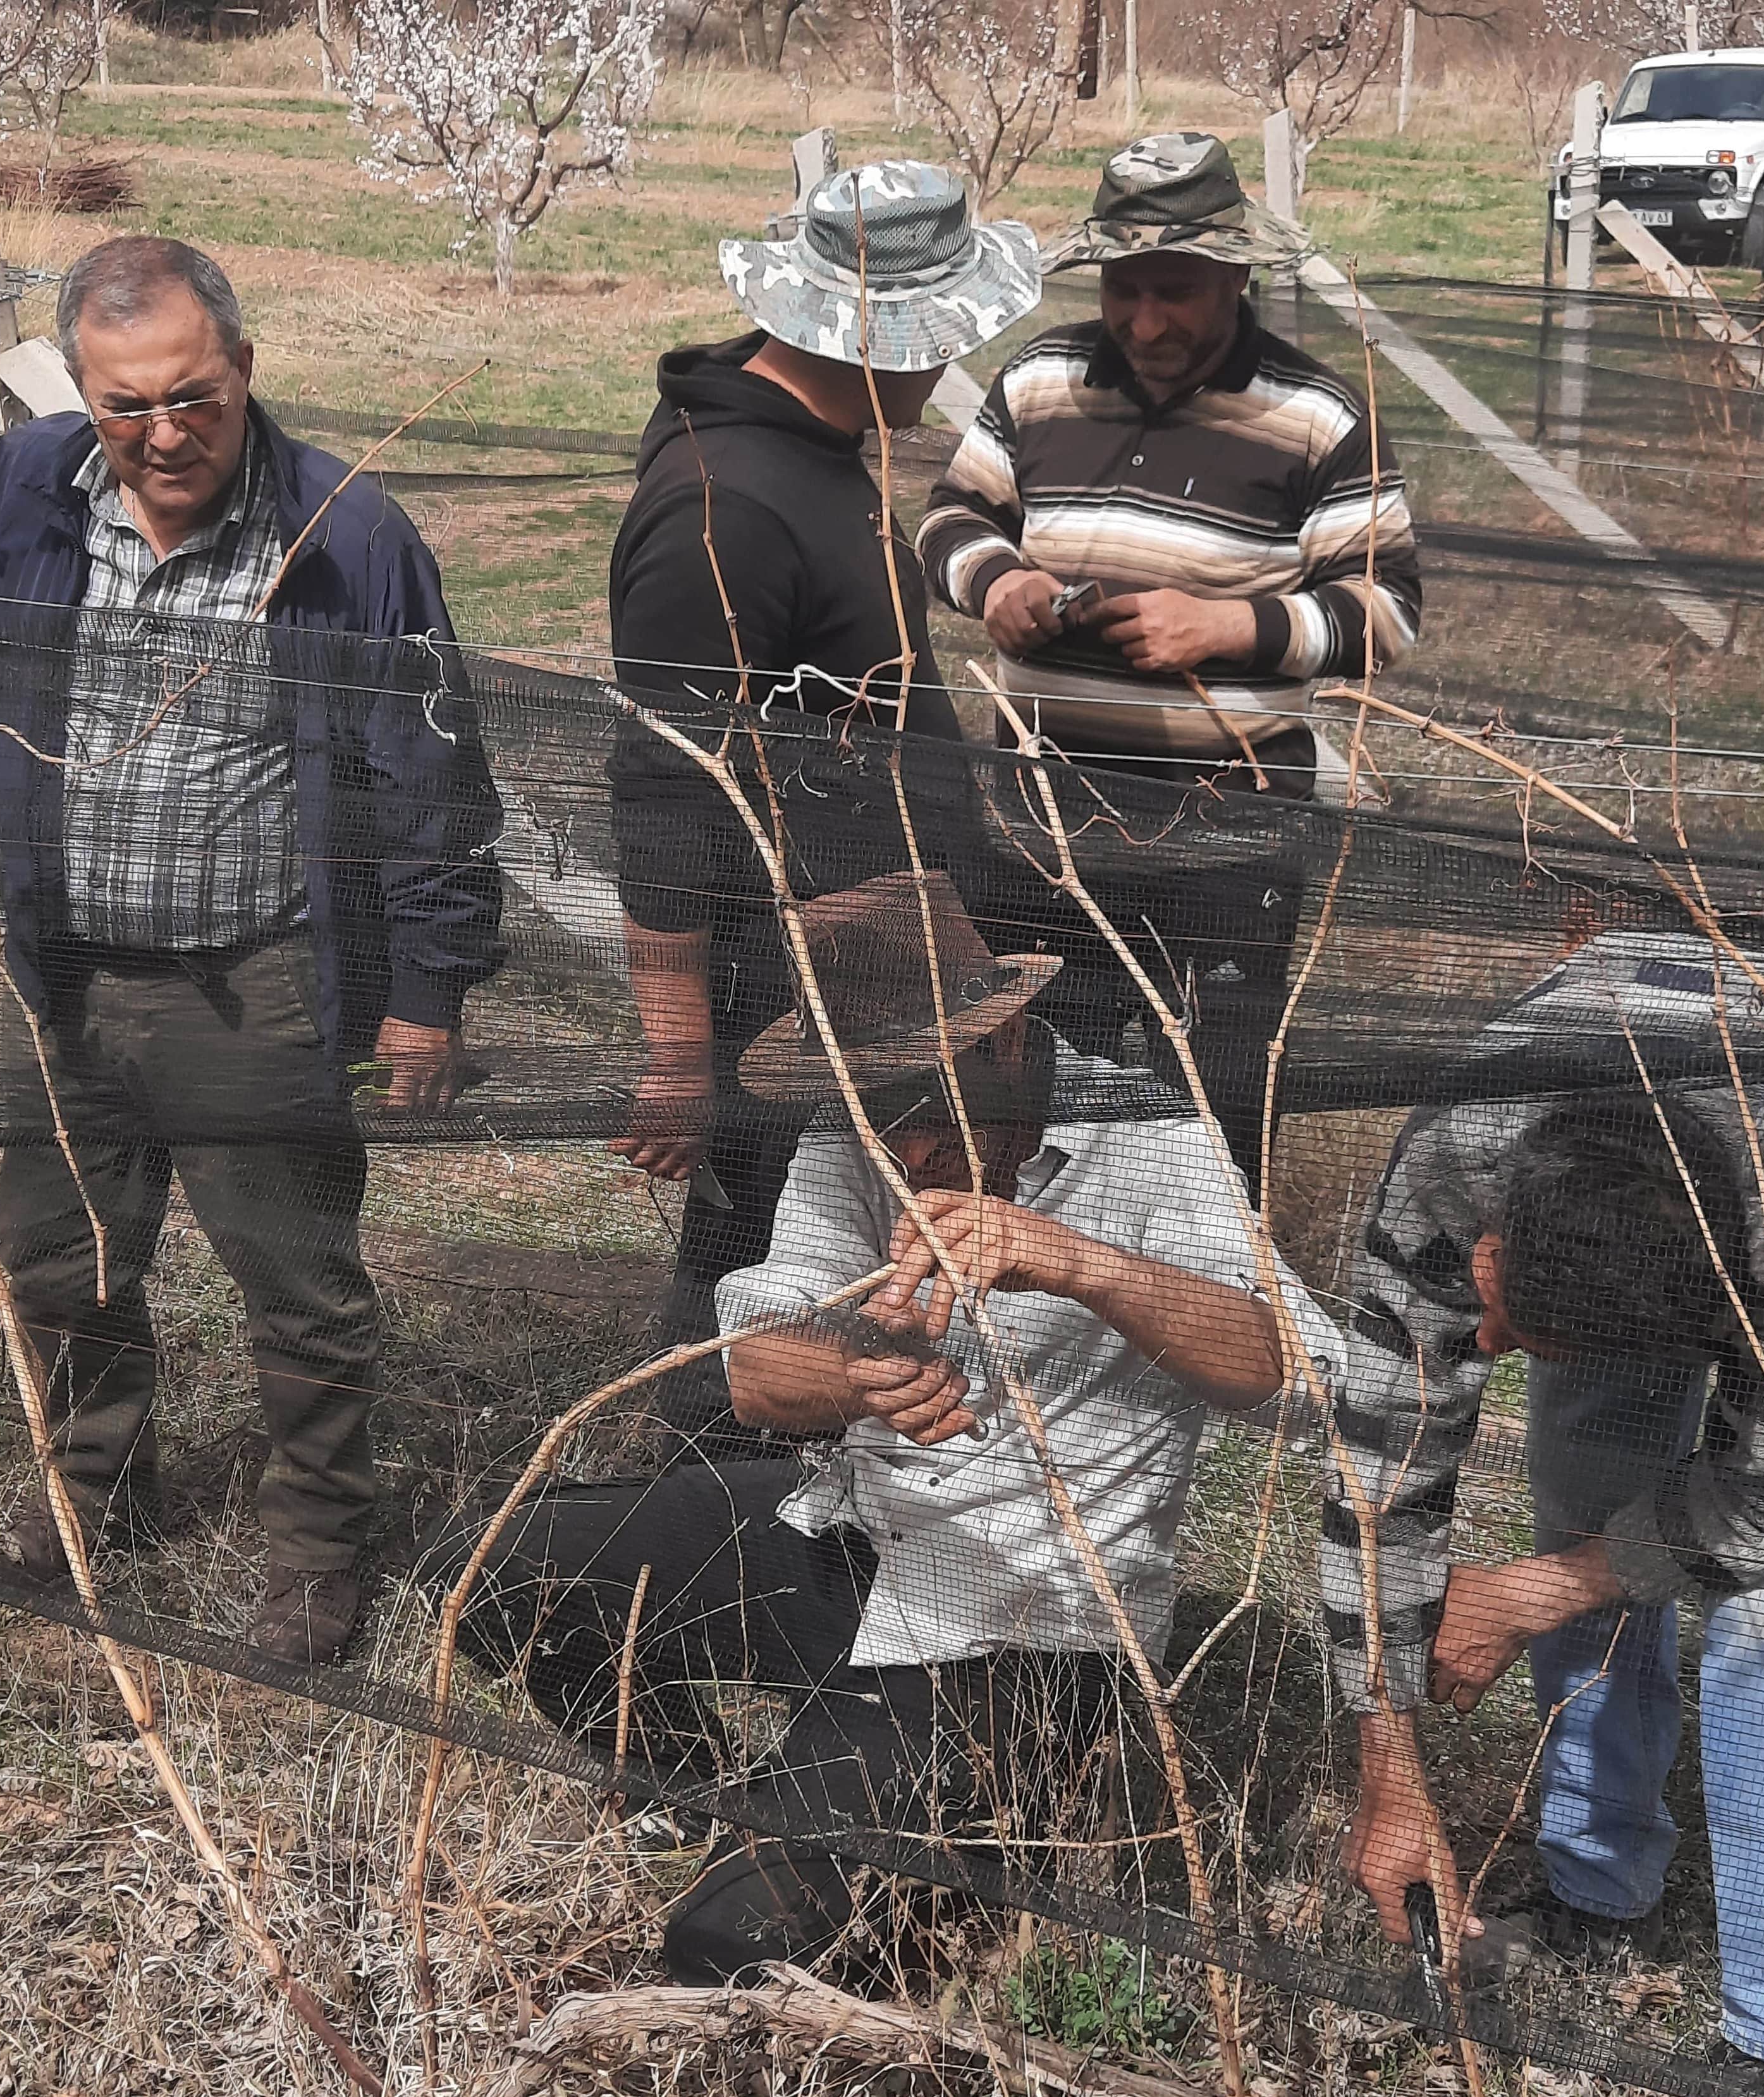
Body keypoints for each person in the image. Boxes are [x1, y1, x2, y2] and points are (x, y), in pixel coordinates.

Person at [450, 869, 1332, 1983]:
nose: (908, 1155)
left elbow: (1300, 1381)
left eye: (928, 1107)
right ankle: (699, 1797)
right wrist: (860, 1377)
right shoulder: (849, 1131)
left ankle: (942, 1830)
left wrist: (1080, 1264)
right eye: (882, 1114)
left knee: (729, 1950)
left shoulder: (1154, 1137)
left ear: (1005, 1041)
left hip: (1025, 1618)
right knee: (487, 1567)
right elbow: (758, 1369)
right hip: (852, 1538)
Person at [0, 235, 507, 1665]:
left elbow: (434, 780)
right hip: (63, 976)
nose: (163, 434)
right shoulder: (28, 491)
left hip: (257, 981)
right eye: (126, 405)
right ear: (84, 396)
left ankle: (319, 1550)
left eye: (194, 397)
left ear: (244, 369)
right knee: (58, 1259)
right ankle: (98, 1493)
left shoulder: (344, 536)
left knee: (299, 1285)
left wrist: (428, 992)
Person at [1330, 927, 1764, 2095]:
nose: (1483, 1343)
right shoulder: (1457, 1154)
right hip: (1632, 1111)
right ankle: (1594, 1885)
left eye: (1521, 1337)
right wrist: (1387, 1758)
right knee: (1585, 1479)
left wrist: (1535, 1594)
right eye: (1494, 1301)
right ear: (1495, 1232)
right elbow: (1379, 1460)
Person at [602, 162, 1043, 1460]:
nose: (949, 358)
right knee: (751, 1271)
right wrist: (680, 1051)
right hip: (781, 988)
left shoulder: (819, 455)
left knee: (844, 1258)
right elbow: (665, 788)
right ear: (873, 336)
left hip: (874, 964)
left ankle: (826, 1498)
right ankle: (702, 1515)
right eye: (939, 332)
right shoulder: (722, 509)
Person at [917, 132, 1422, 1189]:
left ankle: (1201, 1283)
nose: (1144, 322)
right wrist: (995, 583)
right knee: (1029, 1098)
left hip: (1226, 844)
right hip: (1041, 827)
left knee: (1211, 1114)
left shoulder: (1317, 416)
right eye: (1124, 290)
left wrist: (1227, 629)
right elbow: (951, 516)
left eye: (1175, 293)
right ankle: (1040, 1275)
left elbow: (1385, 610)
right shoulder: (1040, 379)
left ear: (1234, 277)